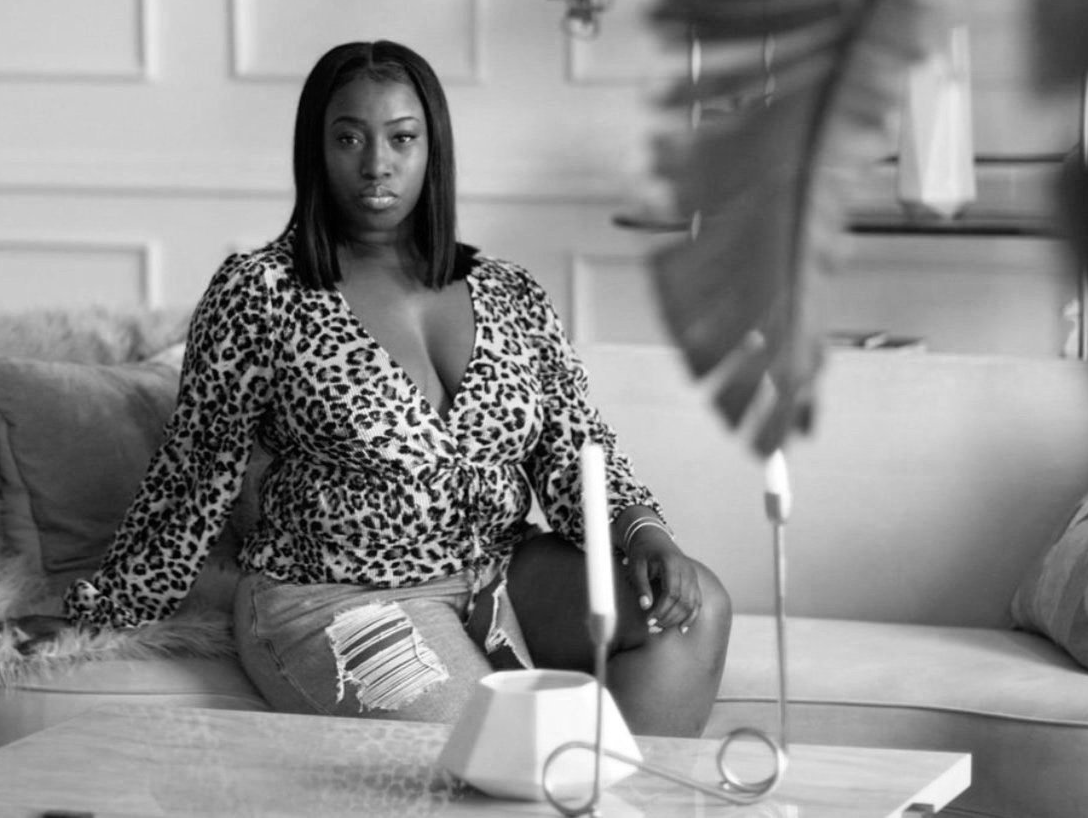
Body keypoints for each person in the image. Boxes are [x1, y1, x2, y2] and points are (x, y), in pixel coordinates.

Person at [58, 39, 730, 735]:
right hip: (337, 595)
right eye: (349, 137)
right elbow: (194, 470)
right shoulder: (261, 291)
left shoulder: (510, 291)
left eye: (401, 139)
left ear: (430, 148)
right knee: (491, 750)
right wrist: (103, 611)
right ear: (315, 150)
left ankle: (621, 805)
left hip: (498, 571)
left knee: (692, 611)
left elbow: (575, 449)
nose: (376, 164)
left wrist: (644, 534)